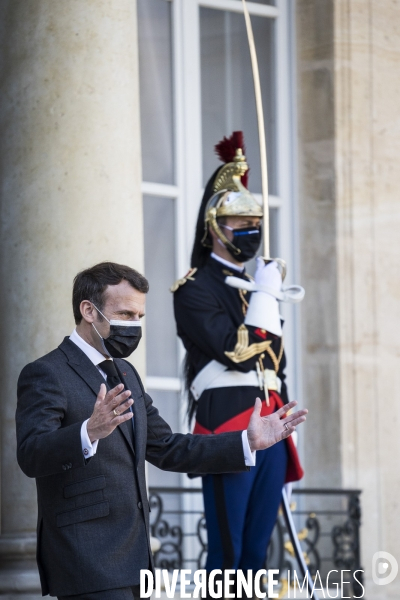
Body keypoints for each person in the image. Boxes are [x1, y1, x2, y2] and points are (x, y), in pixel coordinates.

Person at [15, 261, 307, 600]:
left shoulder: (126, 373)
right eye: (124, 314)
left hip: (137, 562)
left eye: (139, 316)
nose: (134, 325)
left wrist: (247, 441)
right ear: (88, 311)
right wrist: (88, 432)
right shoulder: (47, 372)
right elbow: (31, 455)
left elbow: (168, 447)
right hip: (84, 562)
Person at [172, 132, 305, 589]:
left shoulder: (257, 285)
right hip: (228, 428)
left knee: (254, 558)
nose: (249, 230)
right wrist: (266, 296)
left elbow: (276, 366)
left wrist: (285, 426)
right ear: (214, 226)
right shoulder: (193, 289)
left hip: (270, 425)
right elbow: (234, 348)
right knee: (226, 557)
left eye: (254, 221)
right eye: (238, 222)